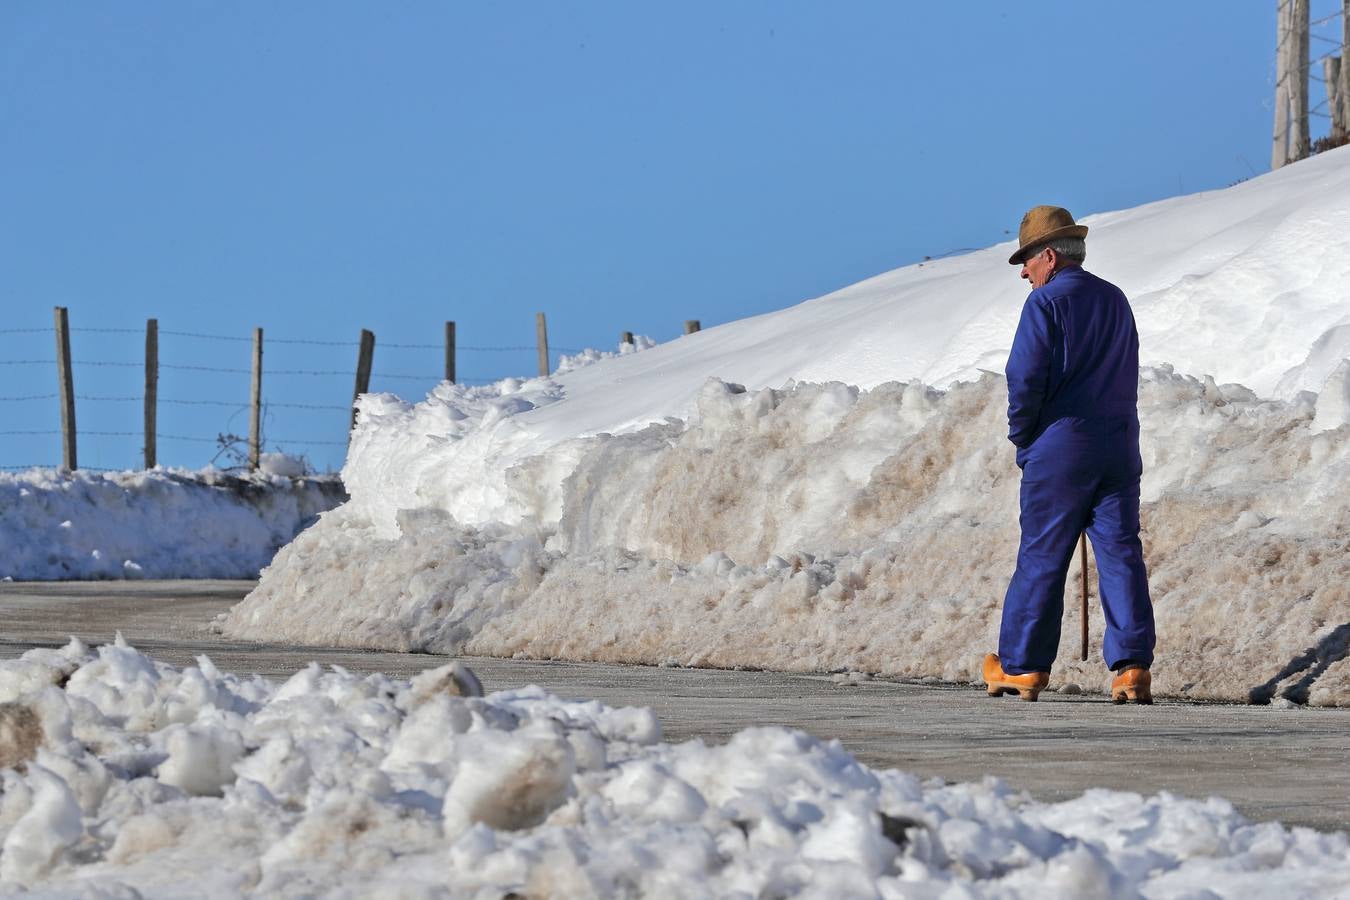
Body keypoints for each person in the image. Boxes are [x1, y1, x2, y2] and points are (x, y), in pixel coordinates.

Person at [981, 205, 1156, 704]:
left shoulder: (1044, 305)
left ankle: (1022, 665)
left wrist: (1024, 434)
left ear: (1050, 257)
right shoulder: (1116, 299)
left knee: (1042, 552)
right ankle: (1131, 667)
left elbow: (1025, 377)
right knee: (1121, 550)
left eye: (1027, 261)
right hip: (1119, 441)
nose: (1023, 272)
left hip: (1061, 444)